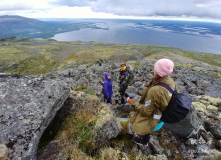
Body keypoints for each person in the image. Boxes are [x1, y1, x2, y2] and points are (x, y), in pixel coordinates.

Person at [127, 59, 177, 146]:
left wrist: (132, 102)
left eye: (155, 67)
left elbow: (146, 111)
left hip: (154, 116)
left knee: (147, 127)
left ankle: (143, 142)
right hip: (162, 114)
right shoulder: (171, 82)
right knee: (149, 126)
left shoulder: (155, 90)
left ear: (159, 71)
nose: (154, 68)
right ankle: (144, 139)